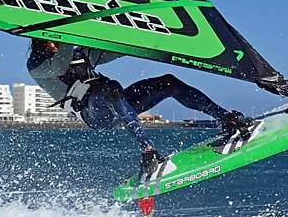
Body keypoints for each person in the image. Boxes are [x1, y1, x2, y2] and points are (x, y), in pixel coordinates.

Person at [26, 38, 256, 176]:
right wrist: (67, 30)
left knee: (168, 82)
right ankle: (148, 151)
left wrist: (150, 37)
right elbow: (60, 64)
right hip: (93, 114)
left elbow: (118, 49)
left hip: (117, 102)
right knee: (109, 86)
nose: (53, 43)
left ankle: (225, 119)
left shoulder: (79, 52)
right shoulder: (37, 64)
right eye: (50, 40)